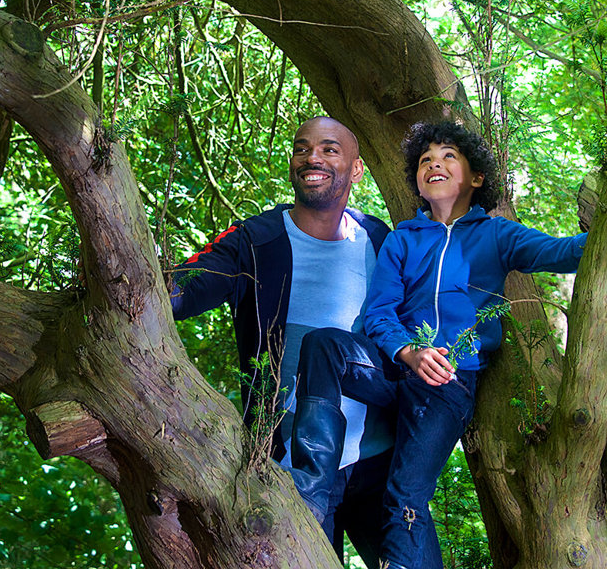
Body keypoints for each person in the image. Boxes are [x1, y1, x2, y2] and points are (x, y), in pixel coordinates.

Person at [290, 121, 587, 568]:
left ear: (476, 178)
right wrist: (408, 350)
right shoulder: (402, 239)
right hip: (396, 368)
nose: (435, 164)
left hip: (448, 382)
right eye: (426, 160)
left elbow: (563, 252)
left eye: (449, 156)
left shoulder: (497, 234)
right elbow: (379, 311)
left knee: (405, 493)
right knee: (323, 346)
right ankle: (309, 496)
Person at [168, 116, 439, 567]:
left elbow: (419, 321)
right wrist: (136, 278)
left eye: (330, 149)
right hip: (294, 474)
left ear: (355, 170)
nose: (313, 157)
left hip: (382, 465)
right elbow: (185, 289)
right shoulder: (256, 241)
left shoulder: (379, 239)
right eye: (302, 148)